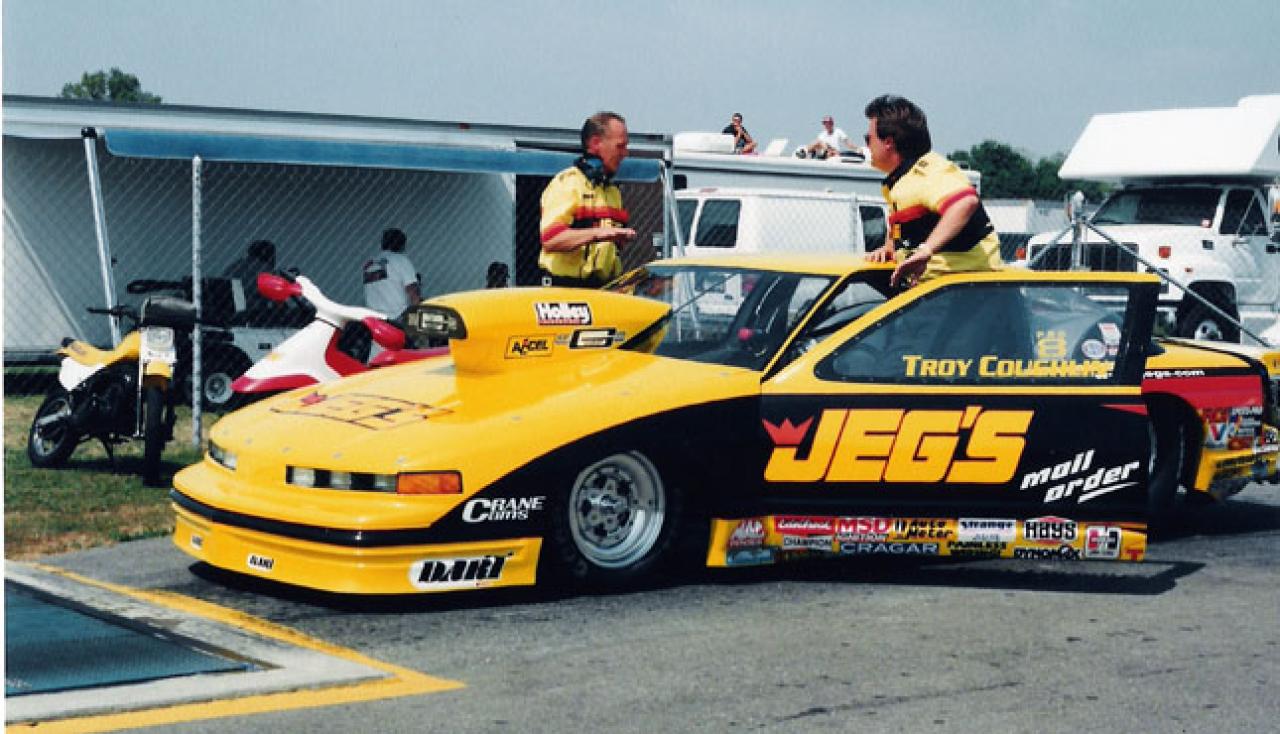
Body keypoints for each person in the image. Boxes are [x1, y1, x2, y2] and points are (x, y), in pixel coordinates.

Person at [862, 94, 1003, 287]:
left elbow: (965, 202)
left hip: (967, 290)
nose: (866, 145)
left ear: (888, 142)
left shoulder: (928, 172)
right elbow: (905, 226)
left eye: (868, 138)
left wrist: (926, 251)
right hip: (941, 288)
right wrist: (889, 248)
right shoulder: (901, 181)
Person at [539, 111, 637, 288]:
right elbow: (551, 239)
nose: (625, 153)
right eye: (620, 146)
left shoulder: (612, 192)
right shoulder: (568, 183)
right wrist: (600, 233)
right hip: (564, 290)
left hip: (603, 288)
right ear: (595, 143)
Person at [362, 228, 421, 318]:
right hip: (397, 316)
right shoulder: (400, 260)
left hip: (374, 317)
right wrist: (415, 316)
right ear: (401, 245)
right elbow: (412, 291)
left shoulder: (370, 265)